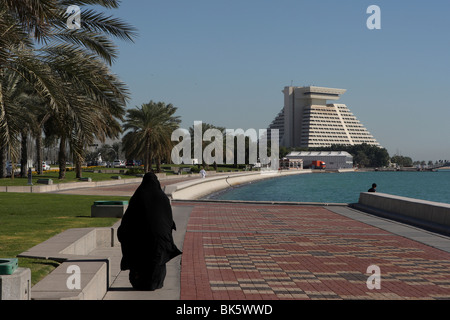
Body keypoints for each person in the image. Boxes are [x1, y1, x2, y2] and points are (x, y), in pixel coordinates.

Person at [117, 171, 182, 291]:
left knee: (129, 238)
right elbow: (168, 222)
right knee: (158, 254)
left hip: (139, 242)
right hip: (160, 243)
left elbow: (127, 222)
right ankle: (155, 281)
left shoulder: (138, 196)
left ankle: (139, 276)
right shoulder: (163, 198)